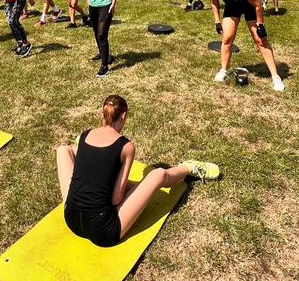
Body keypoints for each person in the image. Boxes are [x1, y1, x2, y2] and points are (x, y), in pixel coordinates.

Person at [56, 95, 219, 247]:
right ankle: (189, 167)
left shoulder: (85, 135)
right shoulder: (126, 147)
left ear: (102, 114)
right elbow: (115, 199)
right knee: (157, 175)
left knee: (63, 150)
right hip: (103, 232)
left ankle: (90, 157)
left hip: (70, 219)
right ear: (124, 116)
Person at [209, 0, 285, 91]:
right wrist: (217, 21)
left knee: (260, 40)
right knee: (227, 38)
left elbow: (258, 4)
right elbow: (214, 3)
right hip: (232, 7)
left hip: (249, 6)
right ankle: (223, 70)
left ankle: (275, 77)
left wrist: (260, 25)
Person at [80, 0, 119, 78]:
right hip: (93, 7)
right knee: (96, 33)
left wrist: (113, 4)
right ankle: (105, 55)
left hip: (105, 6)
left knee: (102, 34)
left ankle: (104, 66)